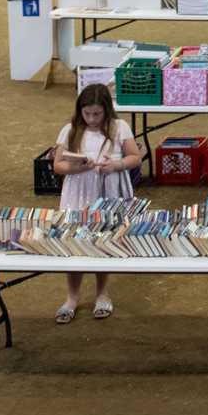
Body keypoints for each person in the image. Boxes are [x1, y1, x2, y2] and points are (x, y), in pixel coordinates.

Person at [50, 82, 142, 323]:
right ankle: (72, 297)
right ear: (79, 110)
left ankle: (102, 293)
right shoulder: (69, 130)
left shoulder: (119, 127)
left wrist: (116, 164)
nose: (91, 119)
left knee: (104, 240)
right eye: (87, 113)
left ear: (107, 111)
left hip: (109, 189)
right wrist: (78, 167)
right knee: (74, 241)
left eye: (97, 114)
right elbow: (58, 165)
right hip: (78, 191)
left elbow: (135, 156)